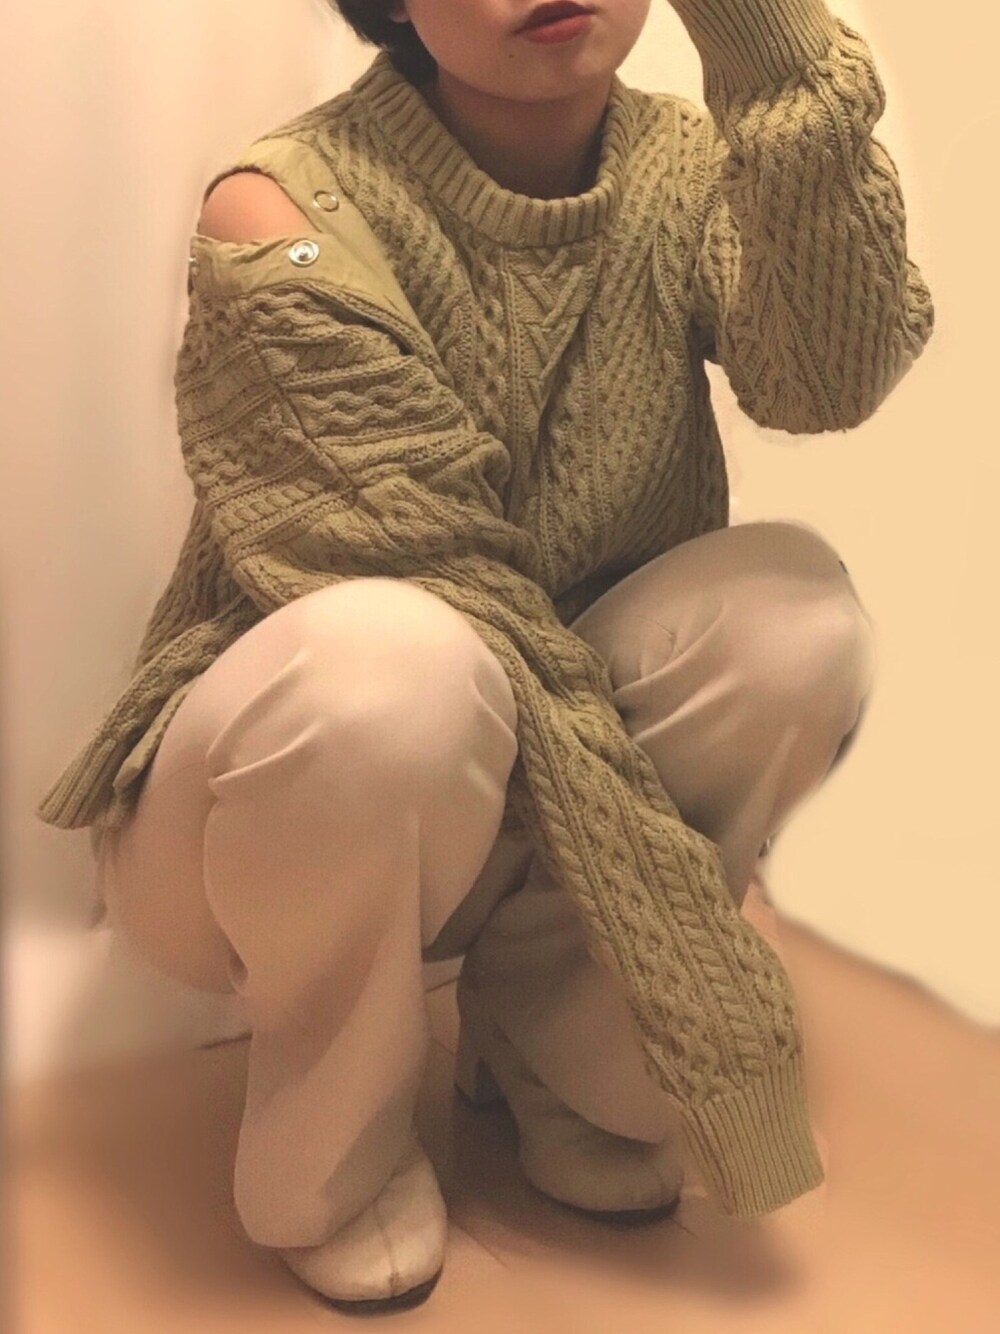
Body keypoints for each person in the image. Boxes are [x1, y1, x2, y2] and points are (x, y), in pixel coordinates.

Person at [35, 0, 933, 1315]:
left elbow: (832, 379)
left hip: (518, 779)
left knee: (795, 619)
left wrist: (778, 60)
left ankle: (552, 1058)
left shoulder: (686, 168)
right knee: (397, 663)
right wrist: (700, 985)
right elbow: (436, 574)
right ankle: (325, 1160)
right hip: (264, 822)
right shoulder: (281, 208)